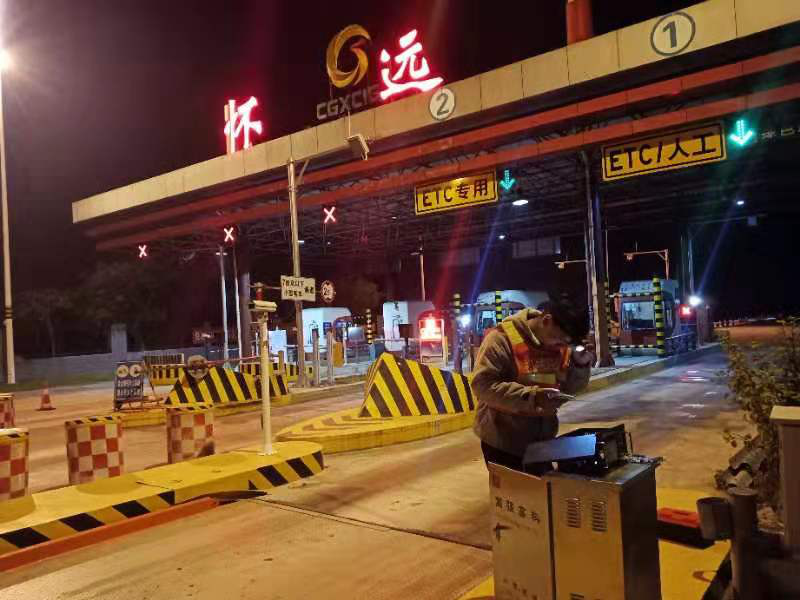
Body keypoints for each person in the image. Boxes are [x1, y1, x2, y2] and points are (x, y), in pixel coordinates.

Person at [472, 295, 593, 472]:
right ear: (547, 320)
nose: (561, 346)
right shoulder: (501, 339)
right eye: (560, 340)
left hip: (542, 442)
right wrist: (532, 397)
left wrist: (581, 365)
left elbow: (569, 387)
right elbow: (482, 385)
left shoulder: (561, 345)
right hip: (503, 443)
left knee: (545, 487)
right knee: (518, 489)